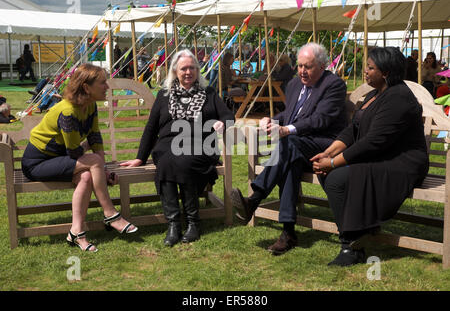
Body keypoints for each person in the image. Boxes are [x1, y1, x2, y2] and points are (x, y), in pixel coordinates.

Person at [310, 47, 429, 267]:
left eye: (371, 68)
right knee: (329, 174)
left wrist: (334, 162)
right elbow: (353, 130)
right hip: (381, 155)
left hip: (402, 162)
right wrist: (328, 153)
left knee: (335, 178)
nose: (365, 71)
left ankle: (351, 244)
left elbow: (373, 142)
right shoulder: (376, 93)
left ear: (385, 72)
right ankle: (361, 228)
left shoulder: (399, 97)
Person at [230, 43, 348, 255]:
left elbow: (320, 120)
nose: (302, 71)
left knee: (288, 144)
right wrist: (271, 119)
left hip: (325, 146)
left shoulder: (334, 85)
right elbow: (290, 113)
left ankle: (255, 199)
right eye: (300, 66)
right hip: (297, 147)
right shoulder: (294, 85)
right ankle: (288, 233)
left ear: (322, 66)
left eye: (308, 67)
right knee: (290, 157)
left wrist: (287, 129)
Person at [120, 49, 234, 247]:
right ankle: (174, 224)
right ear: (175, 71)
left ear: (198, 71)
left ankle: (192, 222)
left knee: (183, 159)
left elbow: (228, 116)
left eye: (192, 68)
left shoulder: (209, 93)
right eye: (184, 69)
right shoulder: (164, 95)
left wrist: (223, 124)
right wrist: (140, 157)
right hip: (167, 146)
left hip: (200, 146)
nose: (188, 72)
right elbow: (151, 127)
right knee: (167, 160)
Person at [21, 64, 138, 252]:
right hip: (37, 164)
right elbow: (75, 153)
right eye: (102, 83)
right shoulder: (68, 112)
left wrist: (104, 171)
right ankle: (110, 214)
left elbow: (94, 137)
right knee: (93, 162)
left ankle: (76, 233)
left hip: (59, 158)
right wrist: (102, 167)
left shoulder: (90, 105)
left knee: (86, 176)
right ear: (86, 87)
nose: (107, 87)